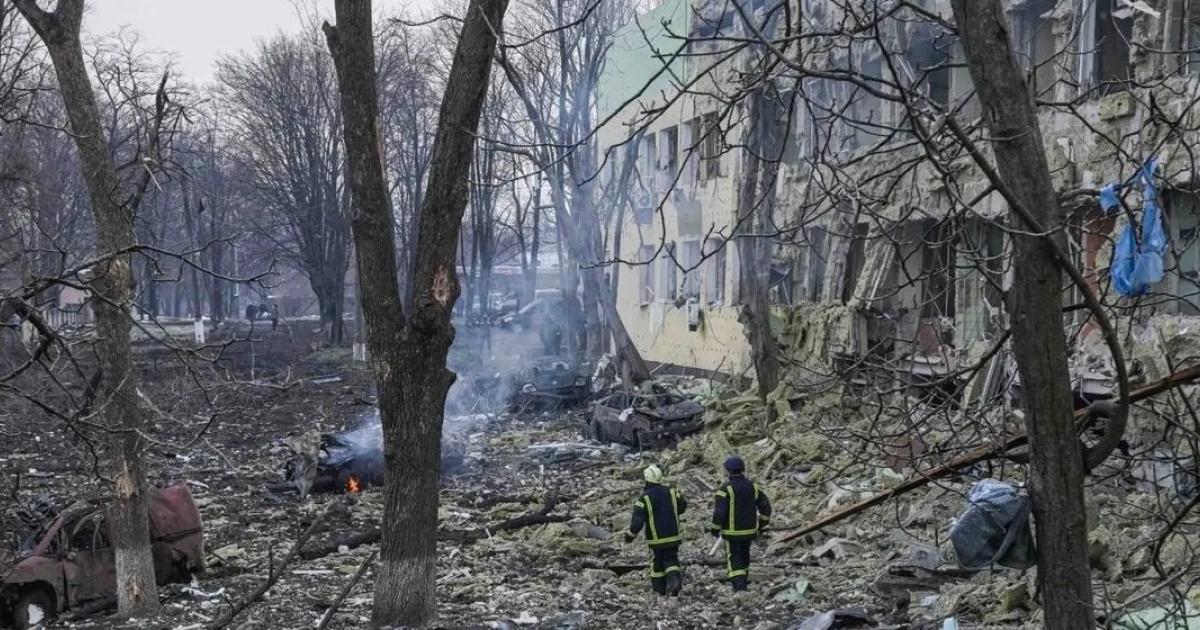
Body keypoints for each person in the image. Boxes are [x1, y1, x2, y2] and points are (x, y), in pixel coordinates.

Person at [709, 456, 772, 591]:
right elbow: (766, 506)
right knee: (744, 556)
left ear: (728, 471)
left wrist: (714, 528)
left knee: (734, 559)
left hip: (732, 534)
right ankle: (744, 585)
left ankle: (740, 588)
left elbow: (719, 512)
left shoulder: (725, 489)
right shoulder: (753, 487)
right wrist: (763, 525)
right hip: (749, 533)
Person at [625, 464, 687, 599]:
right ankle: (673, 583)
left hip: (656, 539)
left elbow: (637, 523)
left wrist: (630, 536)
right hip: (673, 536)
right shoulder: (672, 491)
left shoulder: (644, 498)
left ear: (646, 479)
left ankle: (659, 590)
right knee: (671, 559)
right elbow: (683, 506)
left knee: (657, 562)